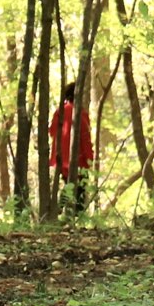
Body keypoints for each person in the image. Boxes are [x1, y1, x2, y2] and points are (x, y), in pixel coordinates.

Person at [50, 81, 95, 214]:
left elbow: (52, 131)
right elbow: (85, 137)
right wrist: (89, 158)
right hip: (78, 159)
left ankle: (62, 212)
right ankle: (67, 213)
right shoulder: (80, 113)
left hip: (61, 158)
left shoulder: (60, 112)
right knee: (79, 189)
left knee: (70, 185)